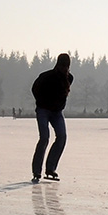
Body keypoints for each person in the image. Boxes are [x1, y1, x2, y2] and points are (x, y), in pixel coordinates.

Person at [31, 53, 74, 182]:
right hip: (43, 110)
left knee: (62, 137)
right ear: (58, 64)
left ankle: (50, 168)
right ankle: (36, 171)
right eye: (62, 66)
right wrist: (42, 102)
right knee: (44, 138)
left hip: (57, 112)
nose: (64, 68)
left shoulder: (69, 78)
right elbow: (34, 89)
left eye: (66, 66)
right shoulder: (46, 76)